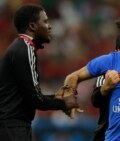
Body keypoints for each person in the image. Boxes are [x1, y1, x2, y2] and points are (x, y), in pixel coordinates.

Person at [0, 4, 79, 141]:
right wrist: (64, 103)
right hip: (12, 127)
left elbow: (30, 96)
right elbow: (36, 100)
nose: (50, 26)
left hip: (11, 125)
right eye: (45, 21)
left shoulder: (19, 47)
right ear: (32, 26)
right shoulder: (26, 50)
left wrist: (56, 98)